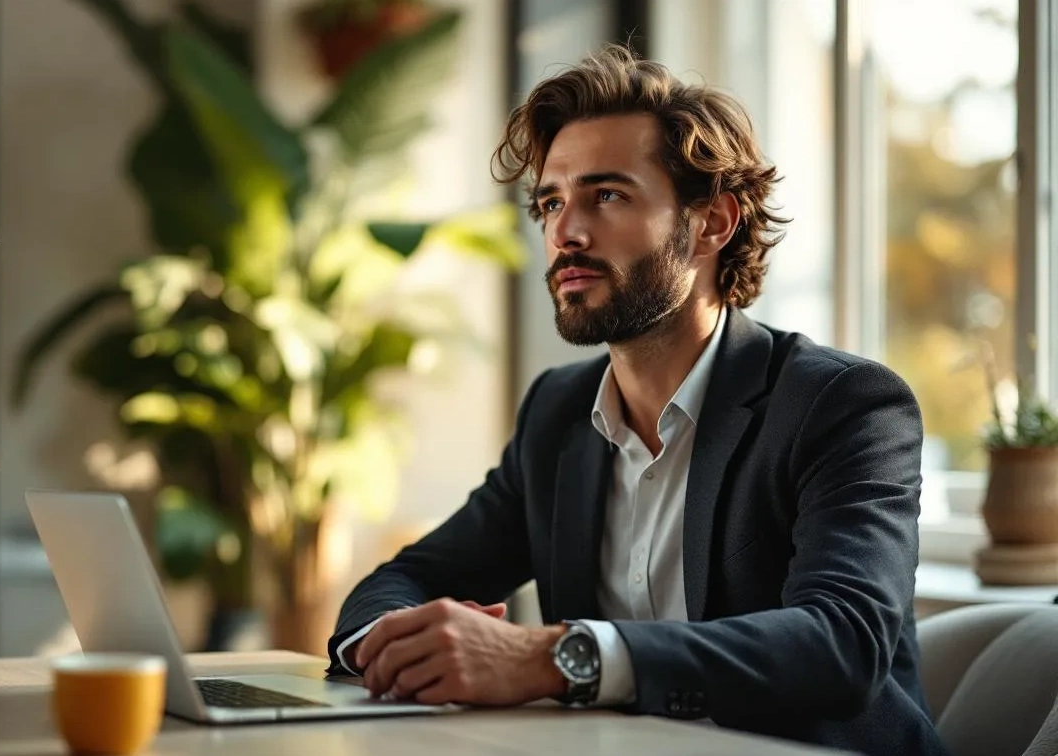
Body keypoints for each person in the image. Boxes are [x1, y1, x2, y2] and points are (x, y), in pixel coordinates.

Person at [325, 44, 949, 756]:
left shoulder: (842, 403)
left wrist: (552, 658)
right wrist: (394, 645)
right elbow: (406, 578)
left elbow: (844, 644)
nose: (565, 232)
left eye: (607, 195)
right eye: (551, 202)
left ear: (713, 223)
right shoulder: (558, 414)